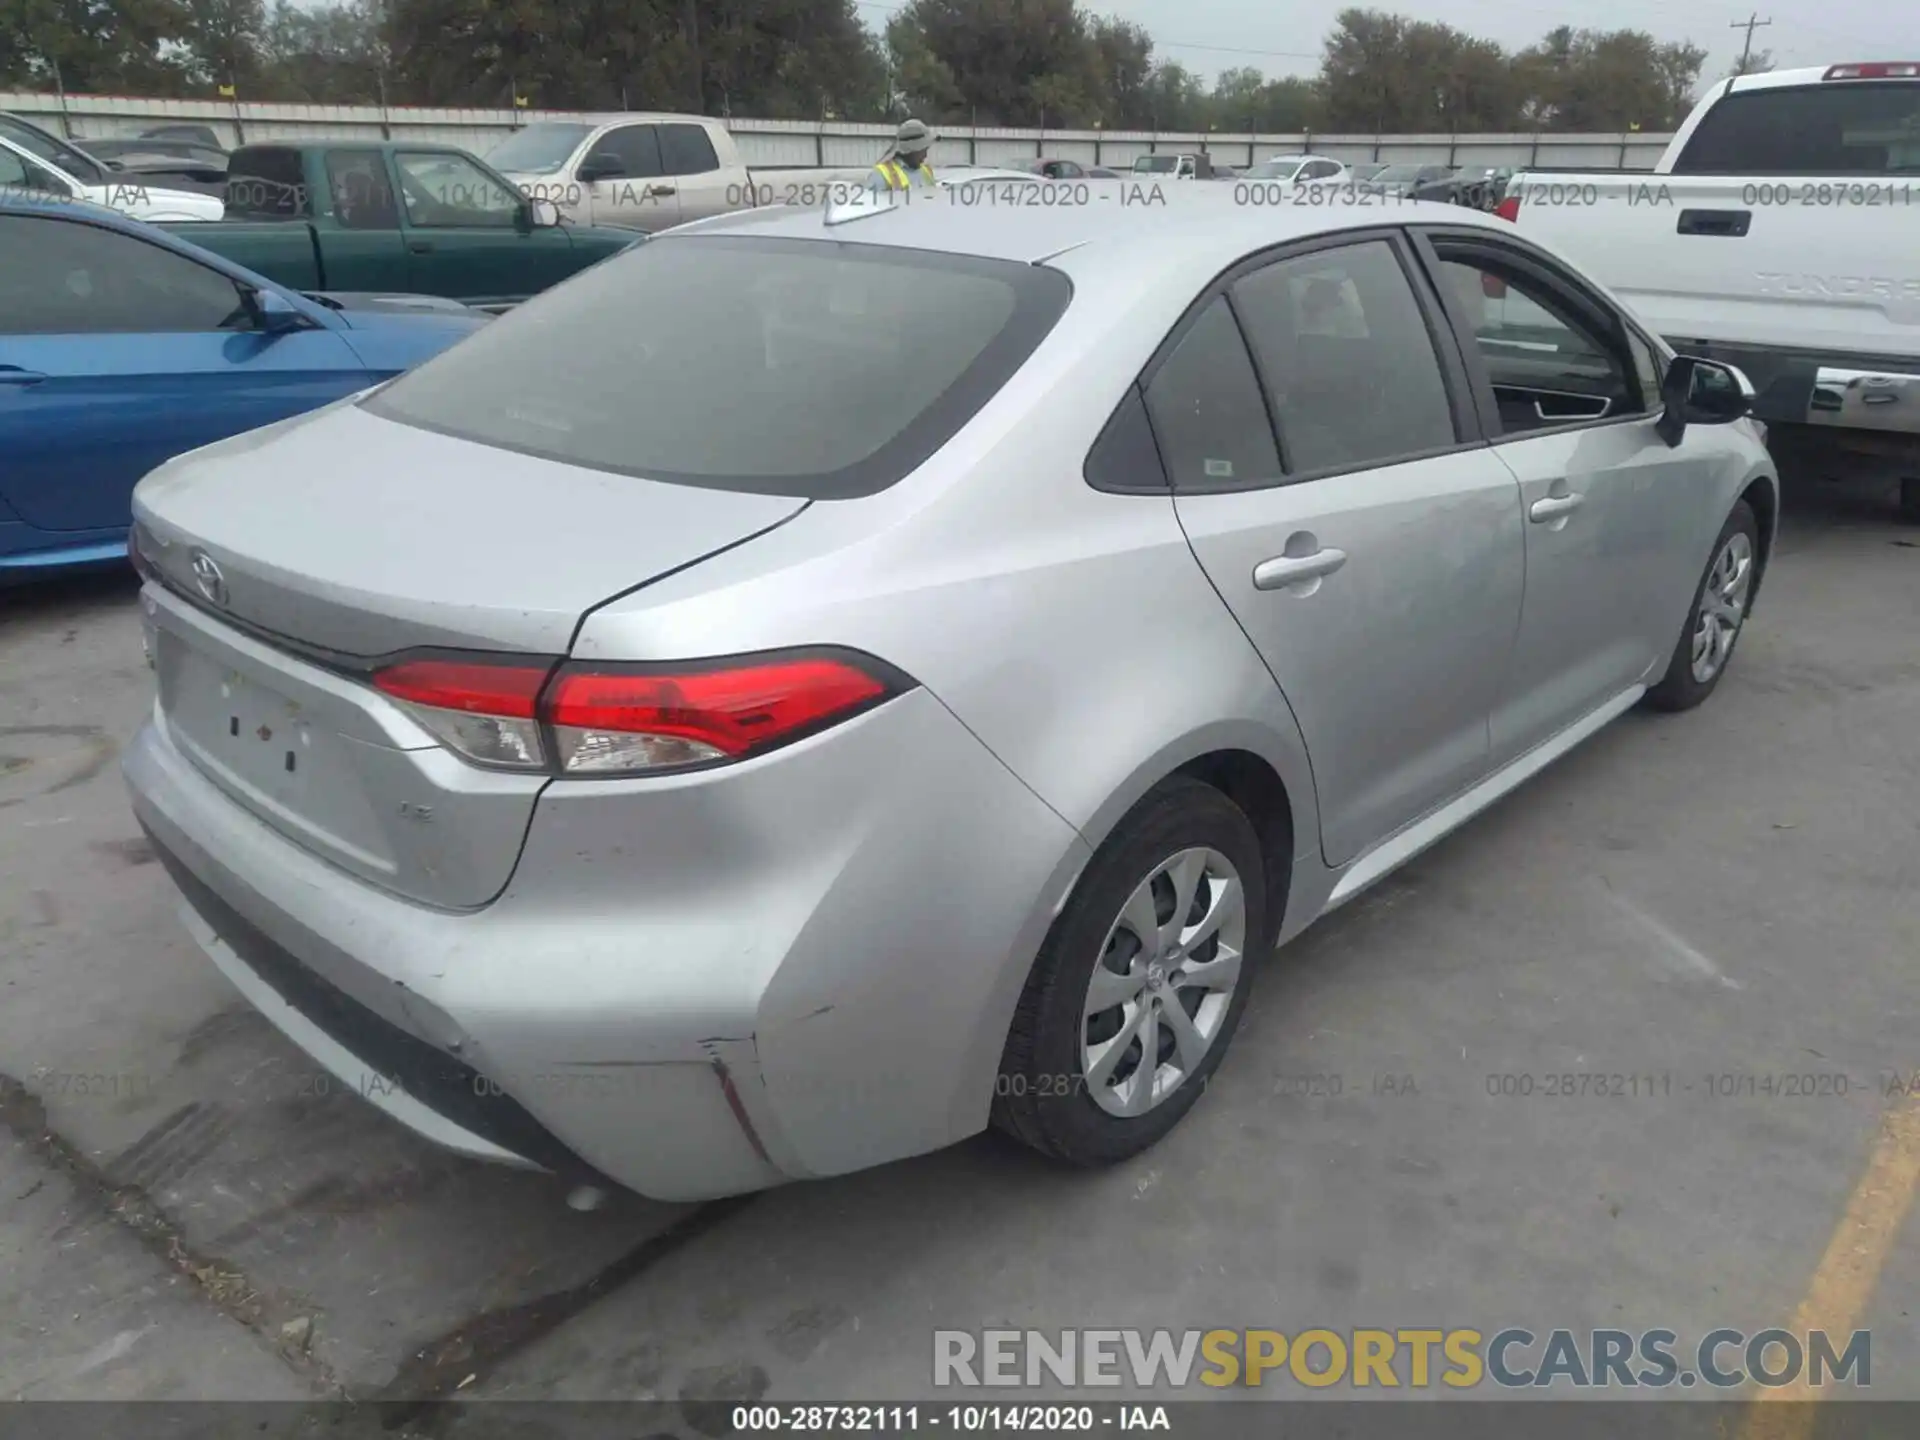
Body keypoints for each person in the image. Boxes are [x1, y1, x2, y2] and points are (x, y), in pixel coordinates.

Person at [872, 118, 937, 192]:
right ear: (909, 150)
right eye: (922, 151)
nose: (925, 156)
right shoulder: (880, 176)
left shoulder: (927, 171)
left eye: (926, 150)